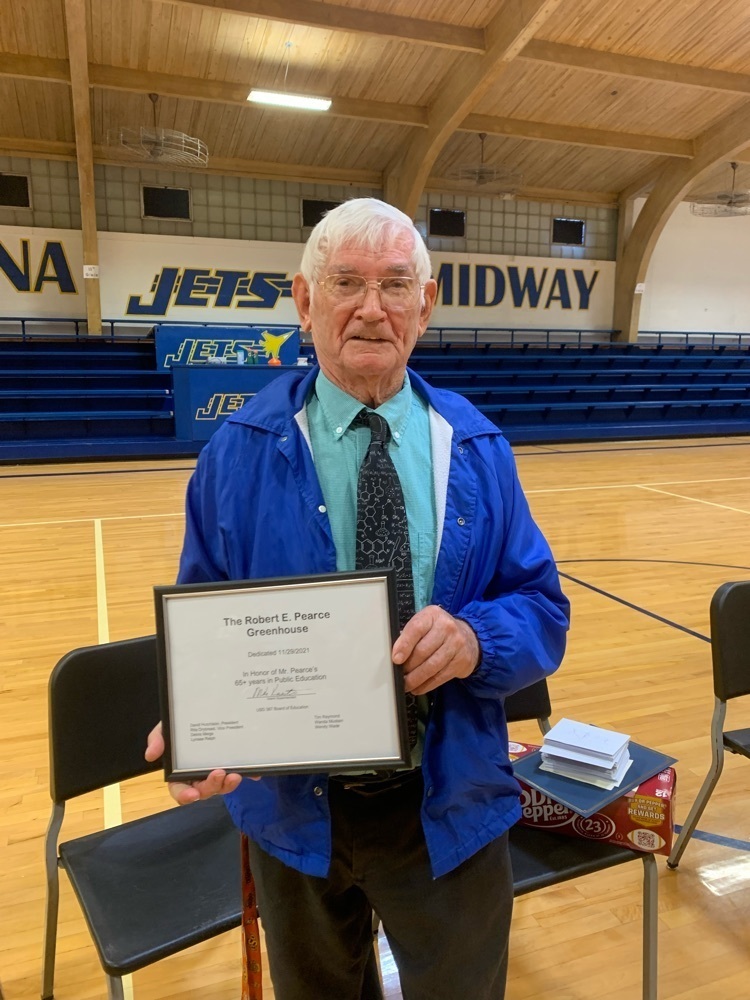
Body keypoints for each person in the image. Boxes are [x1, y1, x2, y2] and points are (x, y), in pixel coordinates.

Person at [147, 198, 569, 1000]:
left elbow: (542, 611)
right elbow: (205, 623)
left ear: (427, 303)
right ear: (305, 302)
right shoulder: (233, 457)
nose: (372, 308)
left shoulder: (477, 447)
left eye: (395, 285)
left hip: (448, 806)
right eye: (346, 282)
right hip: (294, 819)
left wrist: (478, 640)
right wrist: (197, 719)